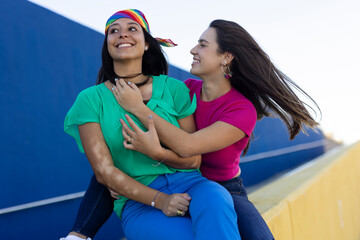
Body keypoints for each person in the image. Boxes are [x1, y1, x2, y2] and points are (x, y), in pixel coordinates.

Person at [115, 19, 319, 240]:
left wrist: (136, 107)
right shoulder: (186, 90)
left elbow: (187, 146)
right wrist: (117, 181)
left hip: (224, 188)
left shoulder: (242, 110)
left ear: (226, 57)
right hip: (176, 180)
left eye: (202, 44)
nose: (193, 50)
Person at [61, 9, 240, 240]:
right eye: (114, 31)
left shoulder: (175, 89)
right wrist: (159, 199)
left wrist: (156, 152)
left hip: (194, 185)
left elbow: (194, 160)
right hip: (139, 202)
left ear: (146, 44)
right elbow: (104, 173)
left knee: (217, 200)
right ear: (107, 45)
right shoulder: (90, 100)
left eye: (132, 29)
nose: (122, 34)